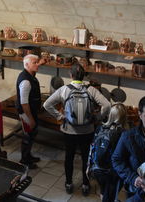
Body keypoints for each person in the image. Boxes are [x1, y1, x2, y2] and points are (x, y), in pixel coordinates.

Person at [44, 63, 111, 196]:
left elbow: (47, 104)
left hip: (69, 131)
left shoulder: (64, 89)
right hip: (87, 131)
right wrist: (97, 117)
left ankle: (69, 184)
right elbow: (107, 105)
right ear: (83, 76)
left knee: (69, 157)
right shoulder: (91, 90)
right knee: (87, 158)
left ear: (71, 75)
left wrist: (60, 116)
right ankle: (86, 185)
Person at [86, 103, 129, 201]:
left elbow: (92, 146)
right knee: (110, 197)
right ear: (124, 116)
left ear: (111, 114)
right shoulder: (124, 134)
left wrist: (88, 166)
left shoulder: (100, 128)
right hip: (113, 173)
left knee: (104, 190)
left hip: (97, 169)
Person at [16, 54, 46, 169]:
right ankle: (24, 160)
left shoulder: (30, 73)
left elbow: (35, 66)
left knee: (33, 133)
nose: (37, 64)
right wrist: (31, 119)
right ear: (27, 65)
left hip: (32, 111)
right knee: (28, 136)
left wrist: (40, 62)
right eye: (35, 62)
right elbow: (24, 103)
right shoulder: (26, 81)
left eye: (37, 62)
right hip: (26, 113)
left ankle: (28, 156)